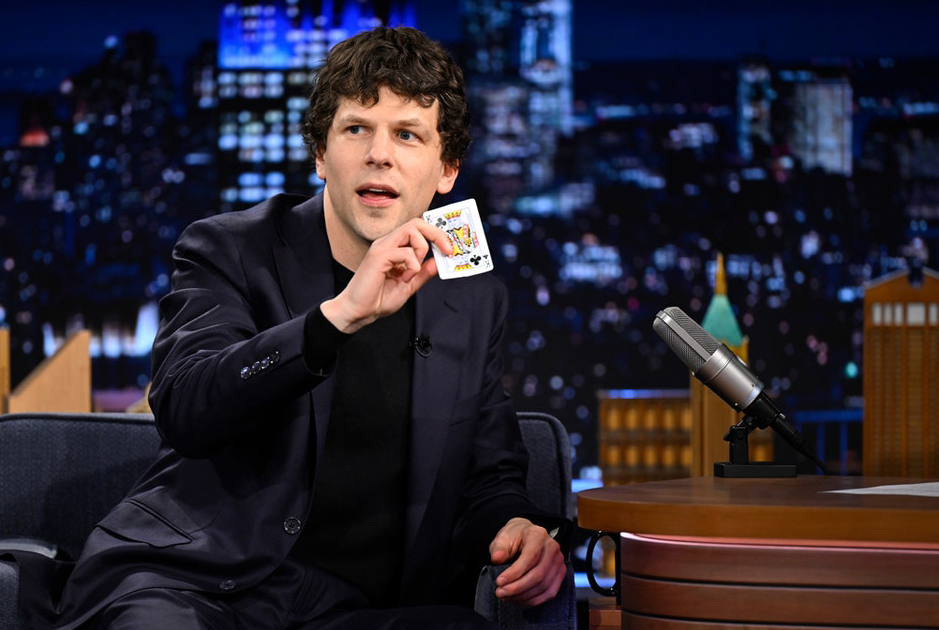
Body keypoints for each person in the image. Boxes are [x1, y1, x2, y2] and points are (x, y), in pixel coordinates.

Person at [51, 26, 569, 630]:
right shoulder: (230, 248)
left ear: (446, 169)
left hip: (355, 612)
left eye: (407, 134)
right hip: (197, 586)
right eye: (356, 129)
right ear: (321, 155)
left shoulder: (472, 296)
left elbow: (489, 476)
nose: (379, 154)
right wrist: (337, 317)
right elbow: (186, 408)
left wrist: (517, 527)